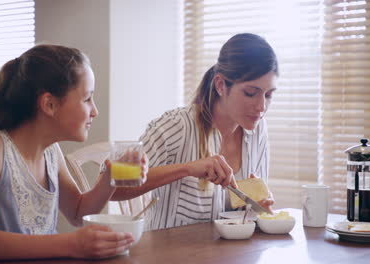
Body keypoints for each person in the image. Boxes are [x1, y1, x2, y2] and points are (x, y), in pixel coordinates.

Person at [0, 45, 145, 262]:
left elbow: (77, 212)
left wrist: (110, 179)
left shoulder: (51, 152)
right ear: (49, 104)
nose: (95, 110)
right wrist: (72, 244)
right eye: (87, 99)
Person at [112, 33, 277, 230]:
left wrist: (258, 206)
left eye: (268, 95)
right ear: (221, 85)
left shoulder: (258, 130)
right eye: (251, 93)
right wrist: (187, 168)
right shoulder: (176, 127)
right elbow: (113, 186)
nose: (261, 107)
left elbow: (244, 215)